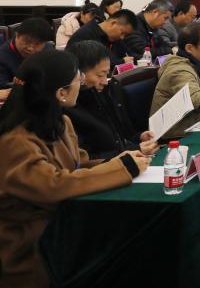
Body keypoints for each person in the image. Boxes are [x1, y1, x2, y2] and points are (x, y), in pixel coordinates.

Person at [0, 49, 148, 285]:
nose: (82, 81)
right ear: (61, 92)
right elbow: (52, 185)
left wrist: (120, 161)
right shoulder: (14, 140)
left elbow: (79, 164)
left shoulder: (61, 121)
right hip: (30, 244)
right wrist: (122, 168)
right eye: (78, 77)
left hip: (64, 226)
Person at [63, 40, 159, 160]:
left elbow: (120, 138)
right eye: (100, 75)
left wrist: (139, 138)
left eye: (106, 74)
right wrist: (135, 150)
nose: (104, 81)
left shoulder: (104, 93)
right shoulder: (68, 110)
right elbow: (86, 160)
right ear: (79, 74)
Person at [66, 8, 136, 63]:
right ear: (113, 23)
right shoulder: (86, 34)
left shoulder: (114, 38)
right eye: (122, 33)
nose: (122, 37)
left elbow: (129, 54)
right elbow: (97, 64)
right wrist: (122, 61)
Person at [0, 18, 54, 86]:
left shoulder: (48, 49)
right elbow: (2, 86)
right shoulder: (2, 57)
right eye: (27, 41)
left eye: (37, 44)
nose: (30, 48)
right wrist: (16, 86)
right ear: (17, 35)